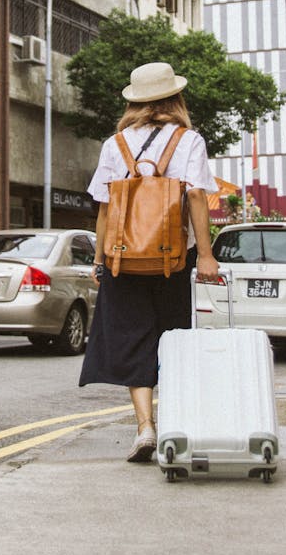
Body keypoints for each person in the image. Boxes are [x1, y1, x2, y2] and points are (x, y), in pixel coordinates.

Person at [79, 61, 220, 463]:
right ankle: (173, 422)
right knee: (170, 337)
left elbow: (105, 206)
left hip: (123, 257)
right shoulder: (188, 140)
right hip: (171, 259)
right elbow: (195, 197)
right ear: (175, 98)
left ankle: (145, 426)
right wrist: (206, 255)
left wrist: (100, 259)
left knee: (130, 337)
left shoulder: (116, 143)